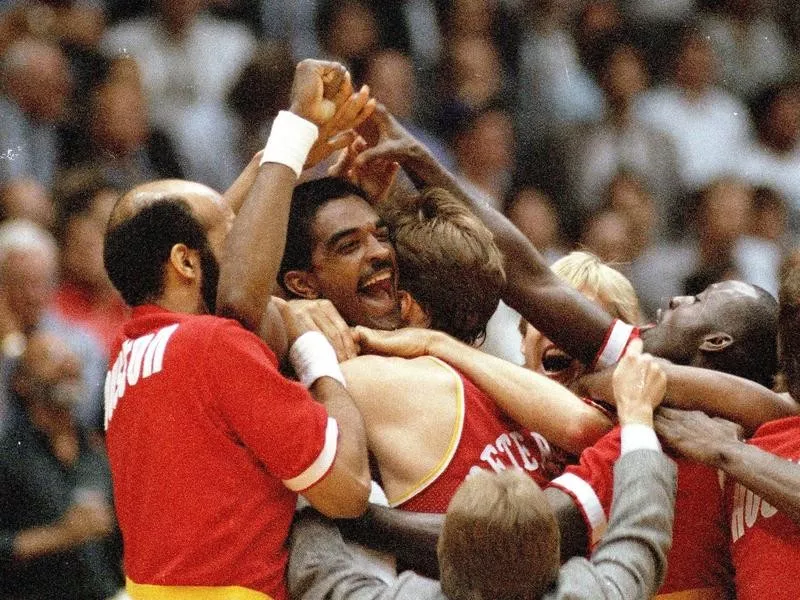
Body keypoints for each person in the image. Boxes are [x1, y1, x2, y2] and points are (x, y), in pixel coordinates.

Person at [101, 59, 373, 600]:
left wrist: (286, 155)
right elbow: (347, 490)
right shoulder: (212, 346)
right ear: (183, 263)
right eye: (234, 236)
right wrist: (313, 348)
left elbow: (203, 223)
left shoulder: (127, 352)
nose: (249, 245)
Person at [288, 338, 678, 600]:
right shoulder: (594, 593)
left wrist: (310, 350)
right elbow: (641, 531)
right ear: (561, 559)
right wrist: (638, 414)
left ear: (439, 554)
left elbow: (317, 570)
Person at [654, 262, 800, 600]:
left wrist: (730, 452)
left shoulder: (733, 446)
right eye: (790, 342)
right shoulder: (763, 420)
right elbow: (667, 380)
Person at [0, 332, 123, 600]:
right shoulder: (7, 455)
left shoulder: (95, 452)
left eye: (71, 357)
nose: (68, 365)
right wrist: (60, 535)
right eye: (50, 358)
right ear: (21, 382)